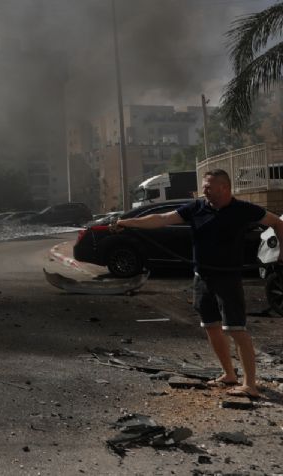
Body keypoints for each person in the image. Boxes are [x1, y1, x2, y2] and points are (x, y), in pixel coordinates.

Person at [112, 169, 283, 399]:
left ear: (224, 188)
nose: (204, 190)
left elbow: (276, 222)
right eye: (204, 186)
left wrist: (282, 251)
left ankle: (249, 384)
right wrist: (128, 222)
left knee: (236, 330)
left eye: (208, 187)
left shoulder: (244, 210)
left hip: (228, 278)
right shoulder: (196, 208)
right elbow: (162, 219)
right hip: (202, 277)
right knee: (211, 326)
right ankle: (228, 374)